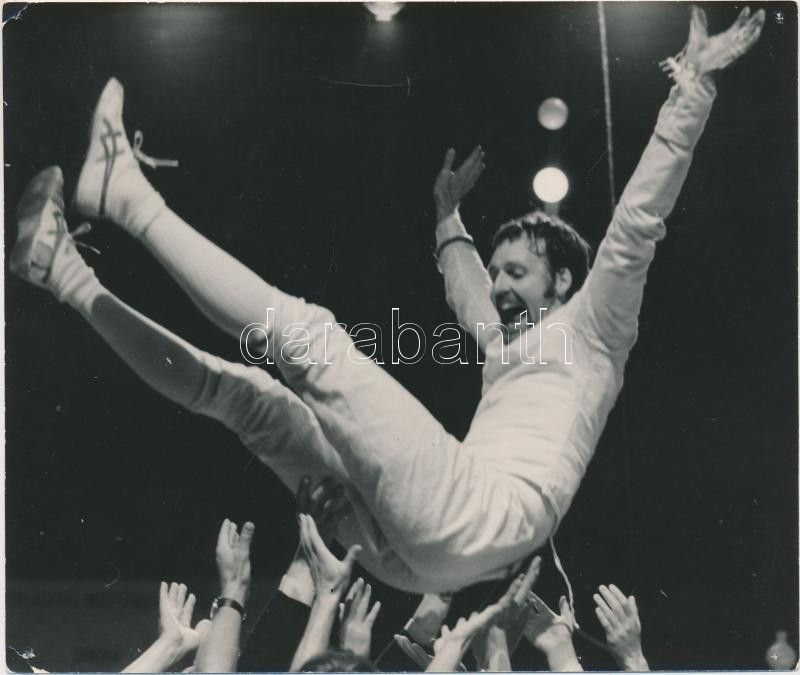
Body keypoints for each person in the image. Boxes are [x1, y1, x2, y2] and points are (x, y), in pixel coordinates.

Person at [10, 6, 764, 593]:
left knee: (308, 338)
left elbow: (634, 228)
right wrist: (447, 217)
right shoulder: (508, 348)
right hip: (425, 553)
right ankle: (66, 274)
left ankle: (126, 194)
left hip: (480, 513)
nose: (499, 287)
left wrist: (692, 92)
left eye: (517, 273)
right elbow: (467, 287)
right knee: (248, 400)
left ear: (564, 281)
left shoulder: (595, 328)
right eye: (498, 273)